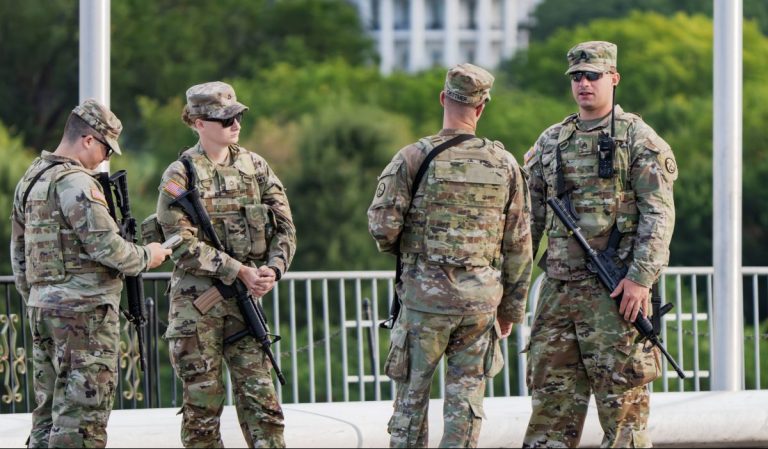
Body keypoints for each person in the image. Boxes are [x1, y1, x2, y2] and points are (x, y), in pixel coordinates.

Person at [367, 63, 533, 448]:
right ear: (481, 107)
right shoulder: (505, 164)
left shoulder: (412, 157)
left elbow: (383, 228)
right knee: (465, 402)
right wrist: (510, 311)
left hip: (423, 302)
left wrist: (412, 253)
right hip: (480, 305)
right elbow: (520, 245)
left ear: (443, 98)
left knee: (411, 401)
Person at [522, 41, 678, 447]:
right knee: (550, 410)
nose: (584, 84)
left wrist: (640, 279)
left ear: (614, 78)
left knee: (623, 412)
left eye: (592, 75)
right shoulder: (551, 142)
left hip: (616, 294)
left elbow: (658, 215)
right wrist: (513, 291)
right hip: (559, 293)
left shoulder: (638, 139)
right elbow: (527, 221)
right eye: (576, 76)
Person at [9, 99, 172, 448]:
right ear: (87, 139)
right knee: (82, 419)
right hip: (84, 316)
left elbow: (19, 252)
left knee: (47, 415)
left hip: (43, 309)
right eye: (106, 149)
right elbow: (107, 248)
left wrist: (38, 297)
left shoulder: (31, 178)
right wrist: (149, 255)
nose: (105, 158)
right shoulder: (77, 184)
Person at [155, 81, 296, 448]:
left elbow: (285, 227)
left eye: (238, 116)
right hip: (197, 307)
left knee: (263, 404)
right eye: (225, 119)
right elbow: (179, 243)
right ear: (199, 123)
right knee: (202, 410)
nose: (235, 124)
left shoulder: (255, 166)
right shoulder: (180, 174)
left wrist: (273, 269)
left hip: (244, 302)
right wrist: (239, 270)